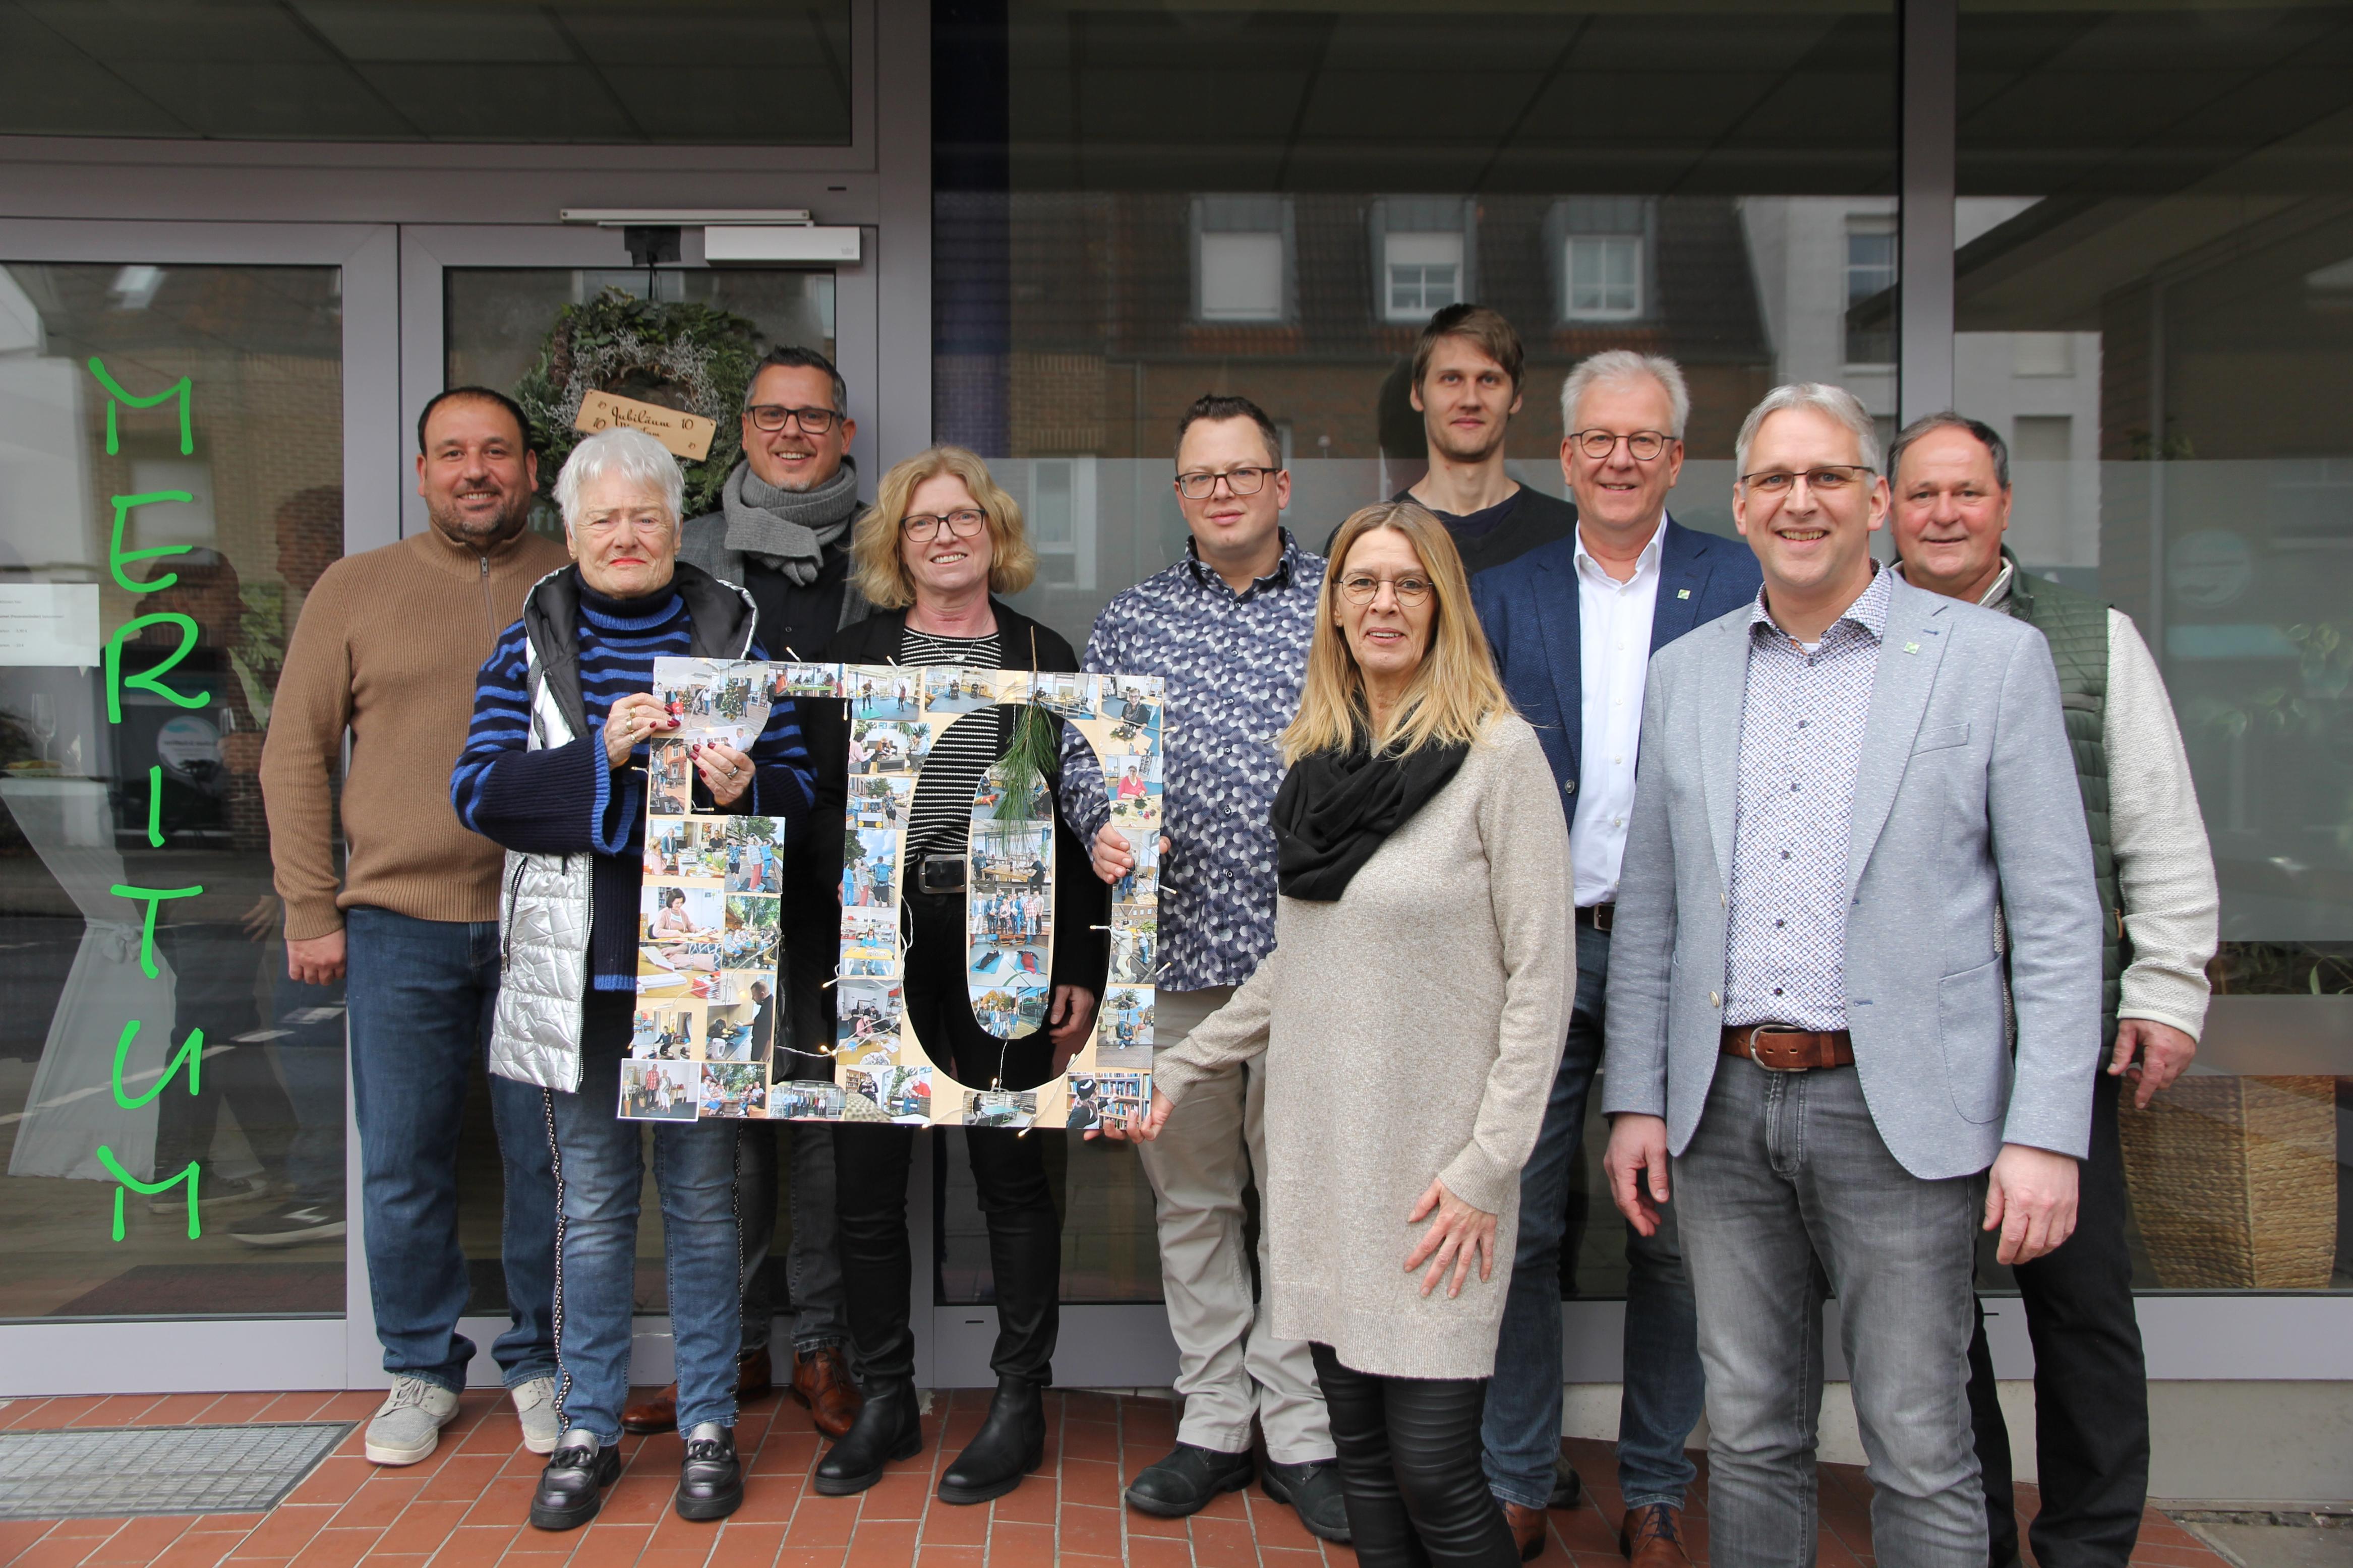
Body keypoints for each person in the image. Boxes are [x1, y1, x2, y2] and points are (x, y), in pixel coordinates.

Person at [1599, 384, 2103, 1568]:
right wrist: (1634, 1099)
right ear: (1738, 505)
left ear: (1874, 500)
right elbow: (1651, 908)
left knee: (1918, 1440)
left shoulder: (1990, 662)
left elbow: (2056, 916)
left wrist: (2043, 1131)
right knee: (1748, 1434)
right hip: (1720, 1110)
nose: (1799, 502)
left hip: (1899, 1114)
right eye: (1773, 479)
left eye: (1825, 476)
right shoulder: (1685, 673)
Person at [1115, 500, 1571, 1567]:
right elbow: (1298, 963)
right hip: (1325, 1169)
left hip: (1433, 1185)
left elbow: (1541, 983)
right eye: (1361, 583)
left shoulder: (1498, 758)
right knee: (1362, 1467)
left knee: (1437, 1476)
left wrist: (1485, 1169)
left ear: (1443, 606)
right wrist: (1179, 1068)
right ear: (1332, 609)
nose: (1383, 604)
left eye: (1409, 584)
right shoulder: (1317, 760)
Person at [451, 427, 815, 1530]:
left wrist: (749, 788)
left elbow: (800, 792)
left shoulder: (737, 638)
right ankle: (588, 1427)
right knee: (597, 1212)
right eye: (602, 518)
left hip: (700, 968)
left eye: (644, 517)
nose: (624, 536)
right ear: (569, 532)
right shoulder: (525, 644)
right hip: (581, 983)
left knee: (705, 1208)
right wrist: (595, 757)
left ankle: (707, 1422)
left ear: (674, 529)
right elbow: (479, 794)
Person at [1887, 413, 2218, 1568]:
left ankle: (2085, 1541)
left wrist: (2165, 989)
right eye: (1920, 494)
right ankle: (1970, 1532)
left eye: (1964, 492)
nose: (1941, 514)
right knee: (1933, 1315)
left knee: (2079, 1302)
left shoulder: (2091, 640)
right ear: (1887, 509)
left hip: (2052, 1032)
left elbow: (2158, 825)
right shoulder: (1861, 636)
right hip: (1912, 1038)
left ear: (2003, 505)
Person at [1468, 351, 1762, 1563]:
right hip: (1544, 950)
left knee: (1673, 1239)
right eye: (1598, 437)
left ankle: (1653, 1486)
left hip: (1692, 960)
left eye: (1643, 438)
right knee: (1521, 1223)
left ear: (1676, 457)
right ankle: (1515, 1474)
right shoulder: (1503, 593)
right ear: (1566, 452)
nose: (1619, 458)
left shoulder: (1739, 580)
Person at [258, 386, 570, 1467]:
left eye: (496, 451)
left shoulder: (573, 581)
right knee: (402, 1160)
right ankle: (420, 1369)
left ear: (531, 470)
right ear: (424, 471)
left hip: (546, 920)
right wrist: (312, 905)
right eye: (452, 452)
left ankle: (542, 1360)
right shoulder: (354, 588)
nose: (475, 470)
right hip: (398, 923)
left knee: (546, 1162)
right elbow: (293, 754)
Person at [1064, 394, 1345, 1541]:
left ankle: (1302, 1431)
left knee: (1303, 1203)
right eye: (1200, 477)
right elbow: (1082, 760)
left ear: (1282, 484)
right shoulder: (1130, 621)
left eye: (1242, 472)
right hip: (1168, 959)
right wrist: (1098, 826)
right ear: (1178, 495)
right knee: (1191, 1203)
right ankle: (1216, 1419)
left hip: (1312, 960)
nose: (1221, 492)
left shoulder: (1345, 601)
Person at [805, 445, 1108, 1505]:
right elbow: (815, 808)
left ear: (994, 533)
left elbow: (1080, 815)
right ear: (897, 545)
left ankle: (1019, 1400)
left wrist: (1081, 960)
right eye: (924, 521)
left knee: (1012, 1183)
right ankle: (887, 1396)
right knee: (866, 1189)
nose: (946, 535)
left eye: (963, 517)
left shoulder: (1041, 654)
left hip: (1009, 934)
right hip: (881, 941)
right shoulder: (850, 656)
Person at [648, 342, 870, 1444]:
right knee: (722, 1118)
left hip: (847, 870)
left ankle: (821, 1344)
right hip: (715, 871)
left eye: (812, 417)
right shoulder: (688, 549)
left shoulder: (884, 548)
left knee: (825, 1124)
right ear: (742, 430)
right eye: (772, 415)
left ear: (844, 435)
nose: (791, 432)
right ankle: (727, 1345)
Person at [1383, 305, 1579, 576]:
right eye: (1451, 379)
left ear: (1516, 397)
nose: (1470, 400)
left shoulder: (1572, 536)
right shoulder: (1373, 541)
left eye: (1489, 380)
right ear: (1417, 394)